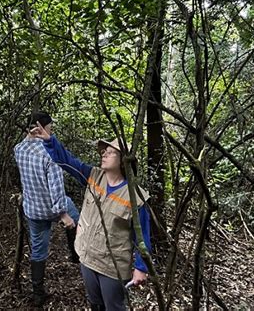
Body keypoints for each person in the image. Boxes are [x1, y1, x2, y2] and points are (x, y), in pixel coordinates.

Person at [30, 122, 151, 311]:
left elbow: (143, 236)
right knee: (95, 303)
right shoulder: (93, 176)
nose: (104, 154)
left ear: (123, 160)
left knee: (114, 307)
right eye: (104, 151)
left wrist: (141, 268)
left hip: (112, 268)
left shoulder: (136, 197)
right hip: (86, 258)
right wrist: (49, 141)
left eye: (110, 152)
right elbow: (68, 162)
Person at [14, 111, 80, 307]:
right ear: (41, 128)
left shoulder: (18, 149)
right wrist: (63, 214)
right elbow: (56, 187)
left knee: (38, 250)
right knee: (76, 217)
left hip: (33, 209)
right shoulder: (48, 154)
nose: (51, 131)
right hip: (52, 208)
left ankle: (38, 294)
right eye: (49, 127)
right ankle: (75, 253)